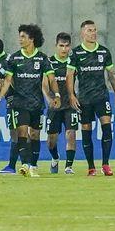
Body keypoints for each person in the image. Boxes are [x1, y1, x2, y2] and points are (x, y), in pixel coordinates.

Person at [0, 24, 57, 178]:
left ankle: (33, 165)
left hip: (36, 104)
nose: (20, 39)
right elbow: (7, 81)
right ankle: (25, 164)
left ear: (31, 39)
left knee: (34, 135)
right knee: (22, 132)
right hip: (19, 103)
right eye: (19, 36)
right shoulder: (14, 58)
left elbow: (50, 79)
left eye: (23, 37)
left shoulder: (42, 58)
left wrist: (55, 96)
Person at [67, 18, 115, 176]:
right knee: (86, 130)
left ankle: (105, 164)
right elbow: (70, 76)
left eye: (95, 30)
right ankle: (91, 166)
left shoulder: (104, 52)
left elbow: (111, 74)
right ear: (82, 33)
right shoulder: (76, 53)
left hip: (101, 97)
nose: (93, 33)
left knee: (107, 126)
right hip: (84, 99)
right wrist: (71, 95)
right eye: (90, 30)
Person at [47, 32, 78, 174]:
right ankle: (55, 157)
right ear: (56, 46)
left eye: (66, 46)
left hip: (70, 104)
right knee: (51, 140)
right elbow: (43, 84)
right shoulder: (49, 62)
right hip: (55, 106)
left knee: (71, 134)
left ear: (70, 47)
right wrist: (49, 99)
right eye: (61, 46)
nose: (64, 49)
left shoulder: (73, 62)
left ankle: (68, 166)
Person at [0, 37, 21, 174]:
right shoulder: (7, 57)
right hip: (20, 99)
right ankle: (30, 163)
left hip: (14, 100)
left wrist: (9, 94)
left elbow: (11, 80)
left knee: (15, 133)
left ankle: (12, 166)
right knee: (23, 132)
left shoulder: (1, 63)